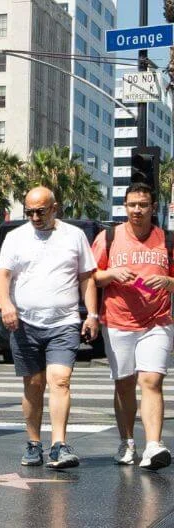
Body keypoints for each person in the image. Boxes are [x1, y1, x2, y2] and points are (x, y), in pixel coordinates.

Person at [0, 186, 99, 469]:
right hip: (25, 323)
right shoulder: (16, 238)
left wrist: (92, 314)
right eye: (29, 211)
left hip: (63, 322)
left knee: (60, 380)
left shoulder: (74, 236)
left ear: (55, 208)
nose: (34, 217)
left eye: (40, 211)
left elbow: (87, 278)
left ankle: (59, 445)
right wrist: (6, 304)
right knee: (34, 385)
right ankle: (33, 443)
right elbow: (3, 276)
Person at [90, 182, 173, 470]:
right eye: (132, 204)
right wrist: (111, 273)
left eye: (143, 204)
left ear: (153, 207)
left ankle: (154, 445)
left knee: (152, 381)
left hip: (157, 321)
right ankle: (127, 442)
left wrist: (168, 282)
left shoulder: (168, 240)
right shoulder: (109, 237)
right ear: (125, 207)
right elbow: (91, 276)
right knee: (124, 384)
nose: (137, 209)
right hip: (118, 321)